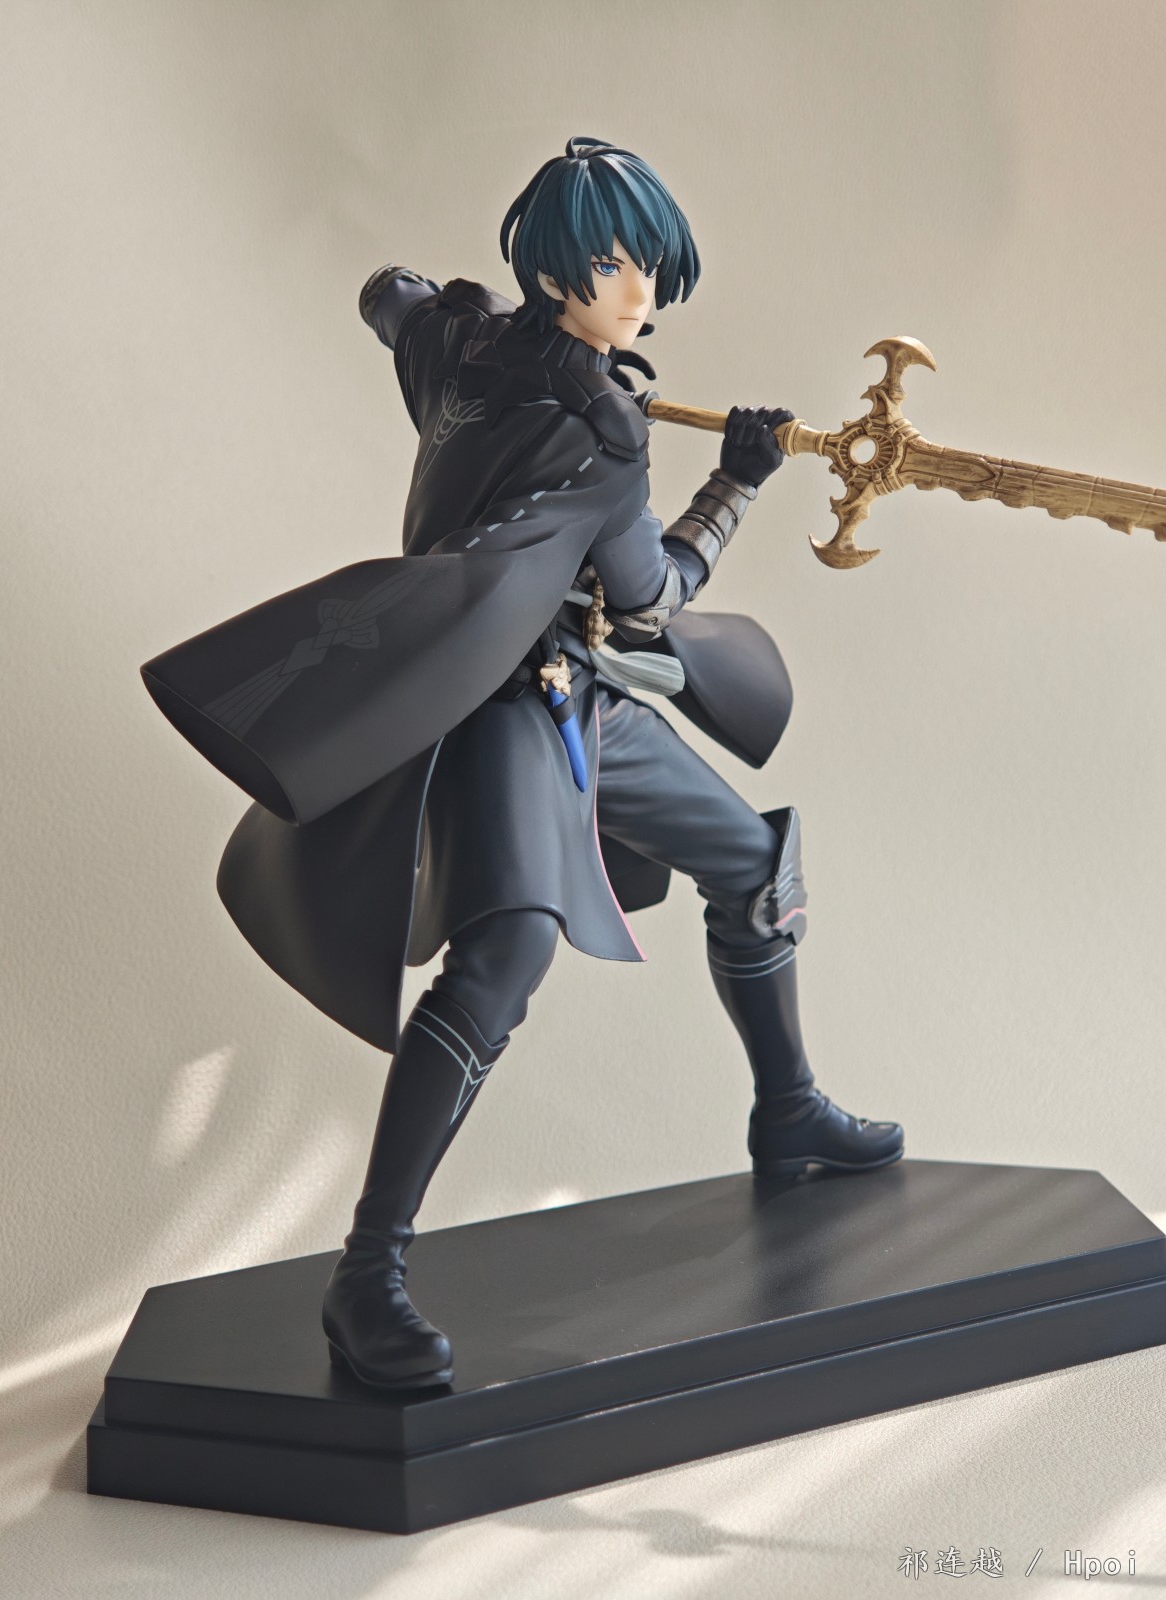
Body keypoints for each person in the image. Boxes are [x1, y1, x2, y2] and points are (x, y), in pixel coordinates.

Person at [141, 137, 903, 1394]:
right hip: (502, 710)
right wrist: (739, 478)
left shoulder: (454, 349)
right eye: (613, 265)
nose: (640, 292)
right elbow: (654, 600)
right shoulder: (607, 437)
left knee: (756, 864)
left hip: (578, 692)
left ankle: (789, 1112)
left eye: (649, 266)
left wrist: (460, 310)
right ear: (557, 270)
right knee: (504, 958)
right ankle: (366, 1272)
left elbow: (386, 297)